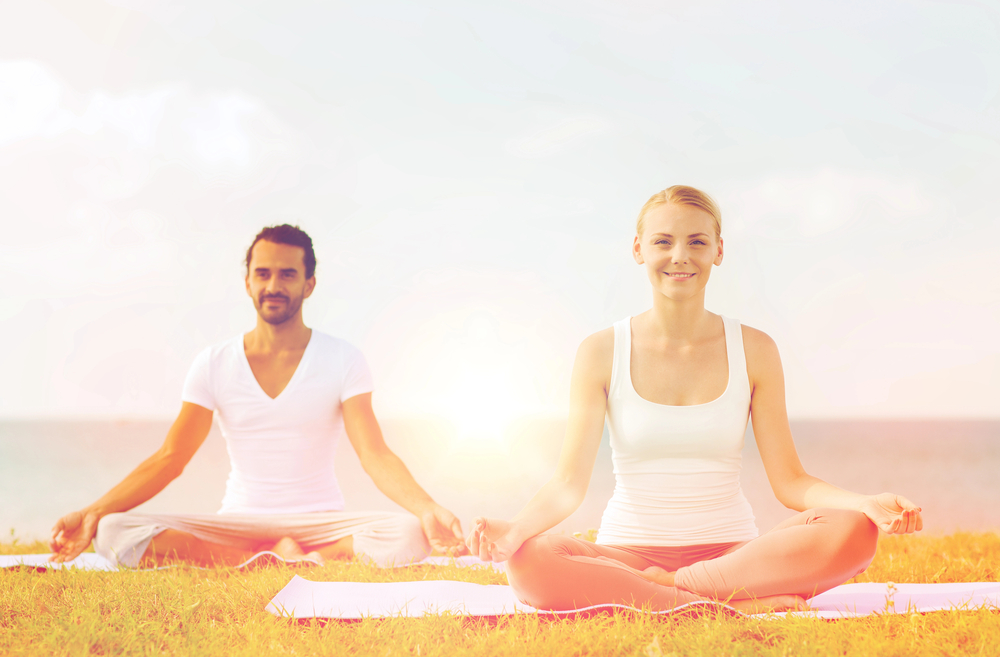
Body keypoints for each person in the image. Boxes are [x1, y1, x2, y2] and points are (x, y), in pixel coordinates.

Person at [466, 186, 923, 613]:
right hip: (626, 553)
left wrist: (864, 503)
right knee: (529, 563)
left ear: (718, 251)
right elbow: (568, 483)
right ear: (639, 249)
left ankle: (667, 596)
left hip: (732, 555)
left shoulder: (755, 349)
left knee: (853, 530)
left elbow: (791, 482)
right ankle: (725, 605)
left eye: (697, 242)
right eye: (663, 242)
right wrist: (517, 530)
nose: (680, 256)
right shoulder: (601, 351)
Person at [50, 224, 467, 567]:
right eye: (263, 274)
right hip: (238, 521)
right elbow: (170, 458)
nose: (273, 285)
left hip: (320, 522)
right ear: (248, 282)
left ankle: (305, 556)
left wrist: (427, 508)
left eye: (287, 274)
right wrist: (93, 512)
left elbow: (374, 455)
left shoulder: (343, 359)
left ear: (309, 284)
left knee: (408, 532)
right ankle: (266, 559)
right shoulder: (213, 362)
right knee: (113, 530)